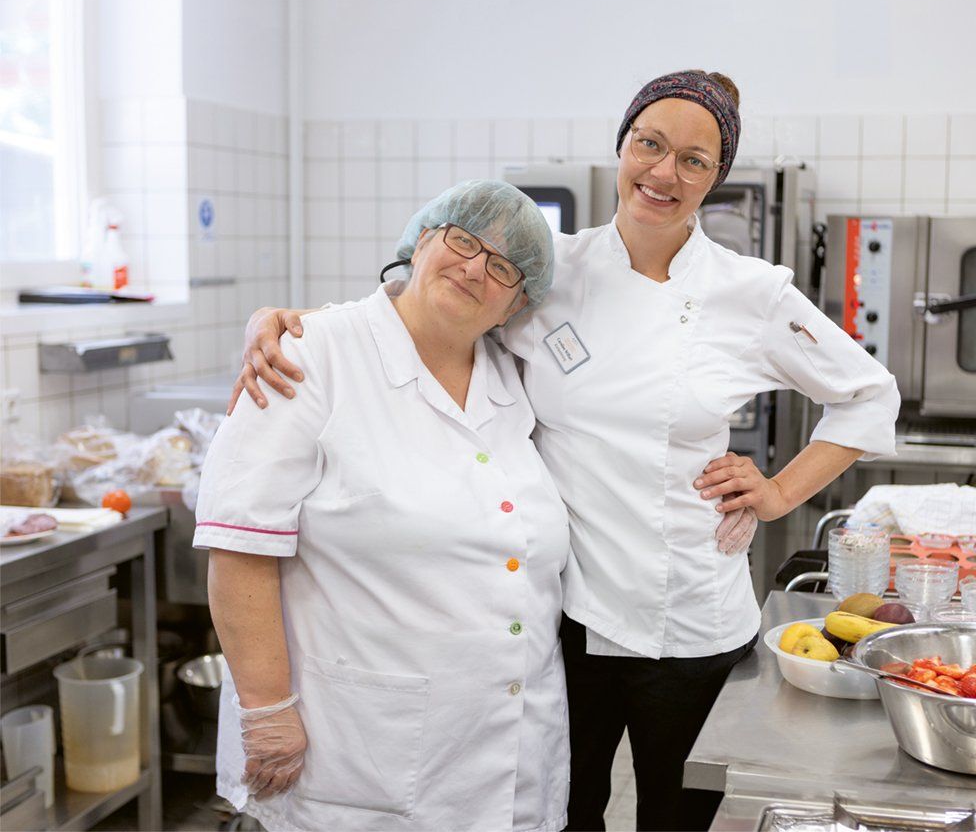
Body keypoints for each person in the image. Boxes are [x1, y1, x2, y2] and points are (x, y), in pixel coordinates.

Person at [232, 70, 900, 831]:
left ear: (715, 177)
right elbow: (426, 308)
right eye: (649, 144)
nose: (663, 173)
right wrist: (295, 323)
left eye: (693, 160)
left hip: (689, 616)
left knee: (676, 821)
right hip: (565, 617)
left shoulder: (751, 293)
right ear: (621, 146)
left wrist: (779, 492)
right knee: (563, 813)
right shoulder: (550, 271)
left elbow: (869, 394)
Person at [195, 180, 571, 832]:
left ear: (515, 304)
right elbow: (240, 543)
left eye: (503, 267)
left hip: (512, 753)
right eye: (463, 241)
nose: (475, 268)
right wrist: (266, 711)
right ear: (421, 240)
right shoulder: (310, 355)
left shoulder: (512, 380)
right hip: (363, 754)